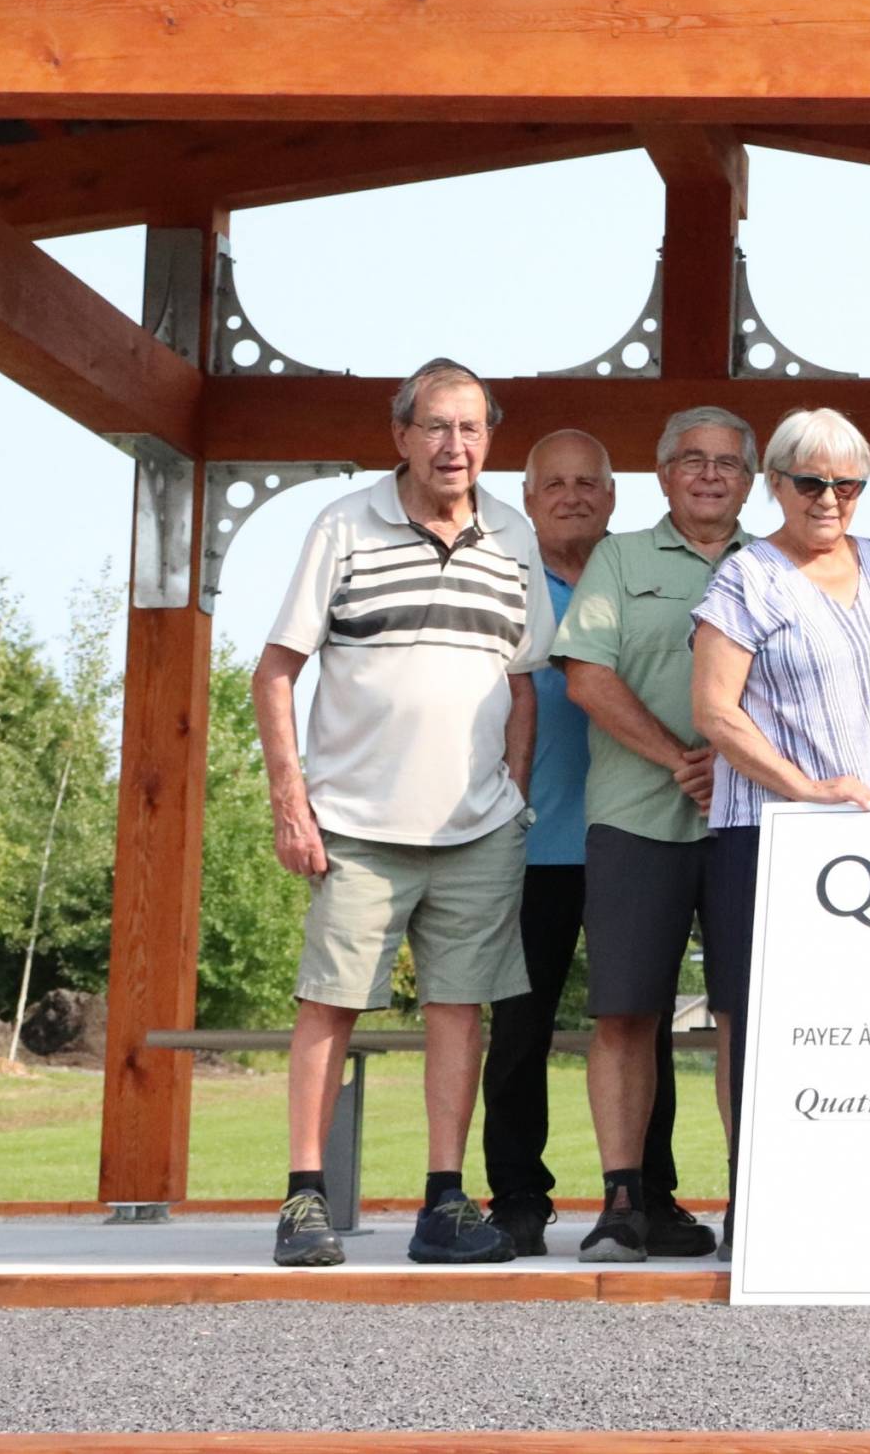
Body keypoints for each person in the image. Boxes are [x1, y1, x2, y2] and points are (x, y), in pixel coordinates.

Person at [254, 359, 551, 1268]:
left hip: (478, 830)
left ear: (488, 439)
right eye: (434, 426)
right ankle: (305, 1201)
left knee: (460, 1012)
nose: (452, 445)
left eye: (469, 428)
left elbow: (522, 681)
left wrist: (514, 797)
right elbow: (275, 671)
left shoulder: (514, 533)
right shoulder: (343, 524)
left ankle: (443, 1204)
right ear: (400, 435)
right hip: (353, 824)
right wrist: (290, 803)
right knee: (328, 1006)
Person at [692, 407, 870, 1254]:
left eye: (847, 483)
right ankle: (753, 1208)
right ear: (775, 485)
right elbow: (714, 710)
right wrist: (805, 789)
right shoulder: (746, 577)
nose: (828, 498)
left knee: (868, 1023)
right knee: (758, 1025)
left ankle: (853, 1204)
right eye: (809, 480)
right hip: (771, 837)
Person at [549, 408, 757, 1262]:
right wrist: (681, 758)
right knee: (626, 1012)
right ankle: (623, 1201)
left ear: (749, 479)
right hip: (637, 815)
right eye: (691, 460)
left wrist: (739, 766)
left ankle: (758, 1196)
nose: (710, 474)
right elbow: (586, 677)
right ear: (664, 475)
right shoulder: (620, 556)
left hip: (750, 821)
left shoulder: (776, 560)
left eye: (727, 463)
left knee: (748, 1015)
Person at [478, 428, 693, 1259]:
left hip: (628, 830)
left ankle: (654, 1195)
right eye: (554, 483)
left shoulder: (633, 574)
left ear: (613, 495)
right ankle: (518, 1199)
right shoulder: (502, 577)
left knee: (642, 1027)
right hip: (524, 842)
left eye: (588, 483)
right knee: (519, 1031)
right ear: (527, 496)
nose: (572, 494)